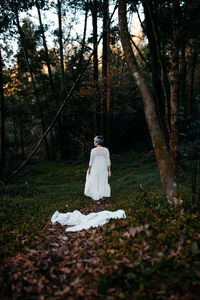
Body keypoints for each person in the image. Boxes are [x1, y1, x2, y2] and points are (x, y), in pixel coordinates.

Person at [84, 136, 111, 201]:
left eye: (94, 141)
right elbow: (108, 160)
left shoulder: (93, 150)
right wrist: (109, 170)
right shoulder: (106, 150)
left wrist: (89, 168)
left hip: (95, 167)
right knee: (102, 180)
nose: (93, 142)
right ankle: (101, 195)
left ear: (97, 142)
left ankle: (96, 195)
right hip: (103, 167)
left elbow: (91, 161)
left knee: (95, 180)